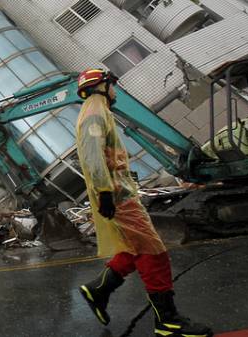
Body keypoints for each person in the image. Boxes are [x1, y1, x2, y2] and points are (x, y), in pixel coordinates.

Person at [75, 69, 212, 337]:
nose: (115, 90)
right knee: (153, 251)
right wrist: (104, 192)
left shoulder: (99, 109)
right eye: (112, 85)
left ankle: (98, 289)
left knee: (134, 246)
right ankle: (167, 320)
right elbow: (93, 156)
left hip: (120, 192)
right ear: (100, 86)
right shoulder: (94, 112)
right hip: (117, 194)